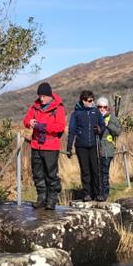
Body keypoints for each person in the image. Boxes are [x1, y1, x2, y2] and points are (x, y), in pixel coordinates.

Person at [23, 82, 67, 210]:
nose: (41, 99)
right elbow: (26, 120)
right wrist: (29, 122)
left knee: (51, 174)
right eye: (39, 96)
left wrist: (44, 127)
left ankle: (52, 199)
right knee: (37, 174)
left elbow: (60, 126)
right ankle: (41, 198)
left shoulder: (58, 108)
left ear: (49, 95)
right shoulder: (35, 106)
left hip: (51, 145)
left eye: (43, 96)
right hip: (36, 144)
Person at [67, 90, 107, 201]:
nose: (91, 102)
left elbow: (102, 125)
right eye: (89, 101)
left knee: (96, 169)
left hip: (94, 145)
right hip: (81, 146)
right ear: (83, 100)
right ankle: (86, 194)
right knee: (85, 171)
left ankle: (98, 194)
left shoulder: (96, 112)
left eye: (92, 100)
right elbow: (71, 130)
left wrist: (100, 129)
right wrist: (69, 147)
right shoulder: (76, 114)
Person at [96, 96, 122, 198]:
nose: (102, 109)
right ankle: (97, 193)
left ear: (107, 108)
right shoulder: (94, 118)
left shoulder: (112, 118)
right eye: (100, 107)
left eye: (104, 107)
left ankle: (104, 194)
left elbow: (118, 132)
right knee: (97, 173)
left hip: (107, 150)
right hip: (96, 150)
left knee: (104, 173)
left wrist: (108, 125)